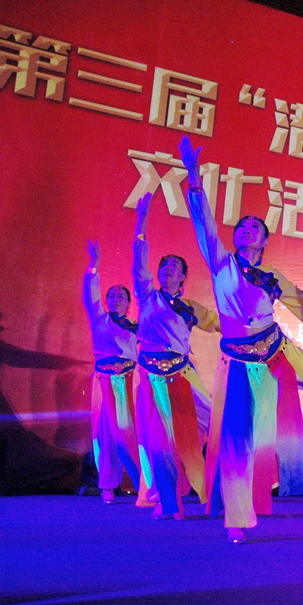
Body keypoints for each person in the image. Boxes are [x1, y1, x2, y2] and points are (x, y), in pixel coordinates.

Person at [178, 137, 303, 544]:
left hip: (272, 358)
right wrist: (194, 178)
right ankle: (237, 514)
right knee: (236, 436)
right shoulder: (221, 263)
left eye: (255, 227)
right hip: (237, 363)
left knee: (263, 438)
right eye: (242, 226)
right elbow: (204, 226)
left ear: (265, 240)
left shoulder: (272, 276)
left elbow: (301, 302)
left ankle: (255, 497)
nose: (247, 230)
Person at [131, 191, 220, 520]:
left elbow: (225, 324)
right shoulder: (147, 296)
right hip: (151, 377)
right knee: (157, 441)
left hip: (183, 376)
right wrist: (141, 220)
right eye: (164, 266)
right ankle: (168, 500)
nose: (167, 270)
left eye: (174, 267)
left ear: (183, 277)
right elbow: (138, 261)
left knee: (209, 426)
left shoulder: (190, 308)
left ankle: (217, 489)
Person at [82, 241, 149, 506]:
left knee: (131, 432)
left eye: (121, 296)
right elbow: (90, 294)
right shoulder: (100, 319)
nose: (116, 298)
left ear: (129, 303)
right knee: (105, 434)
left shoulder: (138, 326)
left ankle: (143, 484)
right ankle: (107, 485)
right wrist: (94, 264)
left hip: (129, 381)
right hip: (103, 381)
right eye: (112, 296)